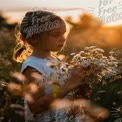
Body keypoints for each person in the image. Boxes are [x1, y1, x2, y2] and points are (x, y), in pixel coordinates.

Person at [13, 10, 88, 122]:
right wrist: (69, 84)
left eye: (63, 33)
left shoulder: (56, 60)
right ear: (34, 39)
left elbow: (61, 90)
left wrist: (79, 84)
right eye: (56, 34)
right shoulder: (32, 67)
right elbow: (36, 107)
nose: (63, 38)